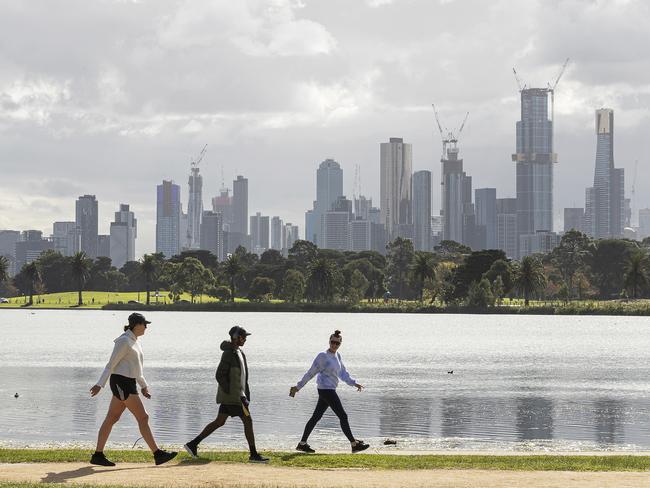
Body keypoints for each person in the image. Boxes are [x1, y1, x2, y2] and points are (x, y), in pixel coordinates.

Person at [89, 312, 177, 467]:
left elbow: (136, 369)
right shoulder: (123, 341)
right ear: (136, 325)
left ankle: (98, 455)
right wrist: (99, 384)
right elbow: (111, 364)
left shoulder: (134, 341)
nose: (146, 327)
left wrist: (143, 386)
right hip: (121, 383)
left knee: (112, 418)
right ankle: (157, 454)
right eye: (145, 324)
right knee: (143, 417)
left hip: (128, 383)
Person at [184, 326, 268, 463]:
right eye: (243, 337)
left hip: (238, 396)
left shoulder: (239, 352)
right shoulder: (228, 354)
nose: (245, 339)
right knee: (248, 421)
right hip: (234, 398)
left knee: (219, 422)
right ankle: (253, 454)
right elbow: (219, 375)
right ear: (236, 337)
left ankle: (192, 444)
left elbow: (242, 378)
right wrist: (232, 393)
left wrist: (245, 394)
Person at [290, 330, 369, 454]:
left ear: (340, 344)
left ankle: (302, 444)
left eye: (337, 343)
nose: (334, 345)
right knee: (343, 416)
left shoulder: (337, 356)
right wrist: (298, 387)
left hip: (329, 390)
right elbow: (310, 373)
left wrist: (354, 383)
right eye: (332, 342)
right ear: (329, 341)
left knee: (316, 417)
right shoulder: (323, 356)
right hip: (326, 390)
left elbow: (343, 373)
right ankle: (354, 444)